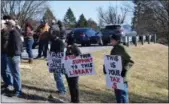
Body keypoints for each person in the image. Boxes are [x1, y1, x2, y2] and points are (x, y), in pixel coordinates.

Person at [103, 33, 134, 103]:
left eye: (112, 39)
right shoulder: (114, 49)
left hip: (122, 76)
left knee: (123, 95)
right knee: (117, 95)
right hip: (115, 76)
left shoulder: (122, 48)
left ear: (117, 40)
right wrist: (106, 68)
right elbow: (112, 61)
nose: (111, 41)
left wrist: (125, 70)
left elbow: (131, 61)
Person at [6, 20, 23, 97]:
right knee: (14, 74)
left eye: (8, 25)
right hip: (11, 55)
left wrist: (14, 54)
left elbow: (17, 46)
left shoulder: (15, 34)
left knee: (16, 74)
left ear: (11, 26)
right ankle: (16, 89)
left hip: (14, 56)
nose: (7, 27)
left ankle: (18, 91)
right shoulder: (11, 33)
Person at [49, 20, 66, 95]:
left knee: (58, 76)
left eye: (51, 33)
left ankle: (62, 90)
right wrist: (50, 60)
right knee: (56, 77)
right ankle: (59, 89)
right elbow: (51, 52)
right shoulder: (53, 42)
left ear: (55, 34)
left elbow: (61, 53)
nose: (50, 34)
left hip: (59, 63)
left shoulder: (60, 42)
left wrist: (54, 56)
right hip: (54, 62)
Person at [65, 32, 81, 103]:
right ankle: (72, 100)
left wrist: (72, 54)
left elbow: (80, 58)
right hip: (68, 69)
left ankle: (76, 100)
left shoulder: (75, 48)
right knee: (70, 85)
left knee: (74, 85)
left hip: (74, 70)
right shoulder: (67, 48)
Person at [1, 20, 13, 93]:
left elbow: (6, 43)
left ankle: (10, 85)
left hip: (6, 53)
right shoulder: (2, 32)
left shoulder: (7, 32)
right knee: (2, 70)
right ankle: (6, 83)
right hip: (2, 52)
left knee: (6, 70)